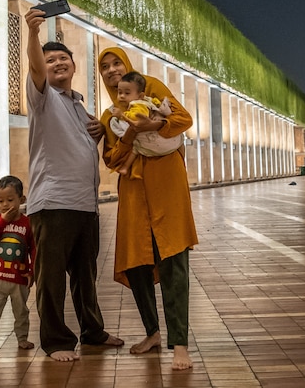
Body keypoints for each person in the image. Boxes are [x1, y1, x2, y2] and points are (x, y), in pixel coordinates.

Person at [24, 7, 123, 361]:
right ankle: (56, 341)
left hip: (85, 204)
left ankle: (92, 331)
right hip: (53, 203)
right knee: (51, 279)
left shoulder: (80, 106)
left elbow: (81, 144)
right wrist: (34, 35)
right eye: (51, 60)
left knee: (85, 276)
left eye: (63, 58)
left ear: (74, 65)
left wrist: (98, 132)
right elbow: (35, 68)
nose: (57, 64)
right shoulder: (42, 98)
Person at [97, 46, 198, 371]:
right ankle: (152, 332)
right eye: (105, 67)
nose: (112, 70)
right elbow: (111, 159)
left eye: (116, 63)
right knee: (137, 264)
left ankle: (179, 344)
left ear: (127, 66)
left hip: (167, 189)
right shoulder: (110, 115)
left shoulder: (150, 87)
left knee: (173, 263)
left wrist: (149, 127)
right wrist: (129, 134)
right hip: (135, 195)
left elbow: (183, 119)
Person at [0, 175, 36, 356]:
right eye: (1, 201)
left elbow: (34, 249)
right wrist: (2, 221)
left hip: (19, 278)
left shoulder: (27, 223)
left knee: (21, 311)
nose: (5, 205)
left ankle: (22, 338)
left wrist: (32, 271)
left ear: (22, 200)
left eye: (10, 200)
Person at [108, 71, 182, 178]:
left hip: (151, 139)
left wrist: (121, 115)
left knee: (136, 148)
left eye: (127, 93)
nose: (122, 96)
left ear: (140, 95)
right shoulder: (147, 100)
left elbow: (136, 117)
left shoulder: (137, 104)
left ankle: (125, 167)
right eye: (120, 92)